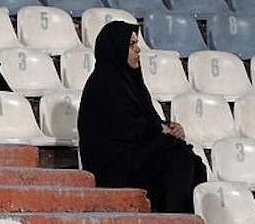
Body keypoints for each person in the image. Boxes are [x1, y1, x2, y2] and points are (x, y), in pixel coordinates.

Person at [77, 21, 206, 213]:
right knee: (178, 157)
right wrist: (158, 130)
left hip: (134, 155)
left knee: (193, 163)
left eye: (137, 44)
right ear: (116, 48)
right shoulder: (102, 85)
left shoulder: (131, 82)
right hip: (113, 163)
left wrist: (168, 126)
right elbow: (122, 128)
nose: (138, 50)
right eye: (131, 45)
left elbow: (144, 120)